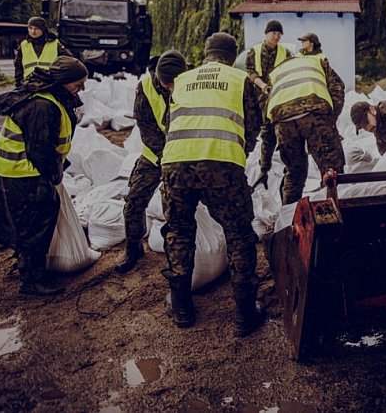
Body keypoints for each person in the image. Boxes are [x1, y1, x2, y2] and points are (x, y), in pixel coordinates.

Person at [160, 32, 264, 335]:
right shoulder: (238, 78)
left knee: (179, 230)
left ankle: (181, 309)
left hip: (176, 162)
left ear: (206, 53)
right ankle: (245, 314)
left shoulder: (182, 79)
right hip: (221, 162)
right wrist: (235, 153)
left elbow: (170, 123)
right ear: (231, 56)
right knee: (239, 234)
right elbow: (253, 124)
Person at [0, 56, 89, 296]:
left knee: (29, 221)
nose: (81, 88)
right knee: (36, 223)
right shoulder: (43, 106)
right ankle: (31, 279)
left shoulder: (49, 98)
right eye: (78, 83)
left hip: (19, 170)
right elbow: (40, 149)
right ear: (63, 82)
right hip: (24, 173)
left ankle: (27, 264)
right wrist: (53, 175)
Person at [114, 50, 189, 274]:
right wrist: (165, 157)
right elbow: (147, 129)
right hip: (154, 155)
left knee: (183, 207)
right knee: (134, 202)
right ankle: (133, 248)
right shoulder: (145, 87)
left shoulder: (191, 82)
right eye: (166, 83)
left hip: (185, 155)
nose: (170, 87)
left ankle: (183, 257)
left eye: (174, 83)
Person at [267, 32, 345, 204]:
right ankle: (334, 211)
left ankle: (289, 216)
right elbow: (338, 89)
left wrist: (265, 163)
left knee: (294, 172)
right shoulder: (316, 61)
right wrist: (330, 121)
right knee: (331, 167)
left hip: (283, 121)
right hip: (313, 113)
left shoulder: (276, 72)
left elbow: (268, 113)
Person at [244, 20, 294, 188]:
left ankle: (273, 168)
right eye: (274, 33)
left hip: (277, 98)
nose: (277, 37)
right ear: (266, 34)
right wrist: (262, 85)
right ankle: (258, 166)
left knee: (275, 131)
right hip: (257, 97)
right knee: (255, 131)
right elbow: (250, 72)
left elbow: (290, 71)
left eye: (279, 34)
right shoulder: (255, 51)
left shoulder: (285, 52)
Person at [14, 16, 74, 87]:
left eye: (36, 29)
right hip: (28, 84)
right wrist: (18, 83)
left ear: (43, 29)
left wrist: (60, 78)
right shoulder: (24, 45)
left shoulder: (55, 43)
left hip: (50, 83)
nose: (33, 31)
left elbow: (69, 61)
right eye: (30, 28)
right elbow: (18, 66)